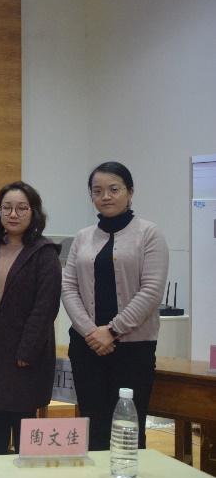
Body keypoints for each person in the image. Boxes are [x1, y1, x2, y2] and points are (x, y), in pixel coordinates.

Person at [62, 161, 168, 451]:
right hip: (87, 346)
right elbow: (68, 288)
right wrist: (91, 332)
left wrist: (111, 331)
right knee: (92, 424)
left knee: (128, 427)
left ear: (130, 192)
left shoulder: (149, 233)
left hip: (133, 348)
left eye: (114, 189)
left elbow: (151, 291)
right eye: (98, 191)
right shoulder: (83, 237)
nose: (105, 196)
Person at [0, 181, 62, 454]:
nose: (13, 214)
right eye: (6, 207)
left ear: (34, 213)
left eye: (21, 208)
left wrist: (28, 349)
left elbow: (45, 307)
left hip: (25, 354)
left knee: (23, 425)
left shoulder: (45, 253)